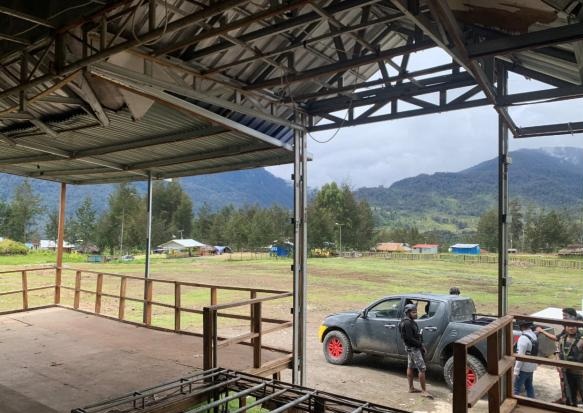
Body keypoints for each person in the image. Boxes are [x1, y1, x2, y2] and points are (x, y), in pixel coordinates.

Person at [536, 307, 580, 404]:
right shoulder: (566, 329)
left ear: (572, 316)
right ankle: (565, 399)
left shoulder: (576, 331)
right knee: (565, 382)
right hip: (565, 363)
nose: (563, 317)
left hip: (575, 364)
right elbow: (558, 340)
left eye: (565, 315)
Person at [399, 303, 433, 399]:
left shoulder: (407, 321)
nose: (416, 314)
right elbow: (409, 338)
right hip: (413, 348)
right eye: (413, 312)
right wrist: (421, 345)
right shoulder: (407, 323)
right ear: (408, 313)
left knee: (410, 366)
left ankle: (411, 388)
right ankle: (424, 391)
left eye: (416, 312)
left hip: (411, 348)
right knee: (422, 369)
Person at [558, 323, 583, 406]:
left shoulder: (581, 339)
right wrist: (558, 365)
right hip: (567, 373)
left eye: (573, 326)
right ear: (565, 327)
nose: (571, 328)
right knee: (570, 397)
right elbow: (559, 353)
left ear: (577, 327)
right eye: (569, 326)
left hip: (580, 373)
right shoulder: (562, 339)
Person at [514, 320, 538, 398]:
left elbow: (520, 356)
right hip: (531, 366)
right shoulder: (533, 335)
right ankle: (532, 402)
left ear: (521, 326)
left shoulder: (523, 338)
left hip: (523, 368)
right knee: (529, 386)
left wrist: (516, 371)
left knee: (515, 389)